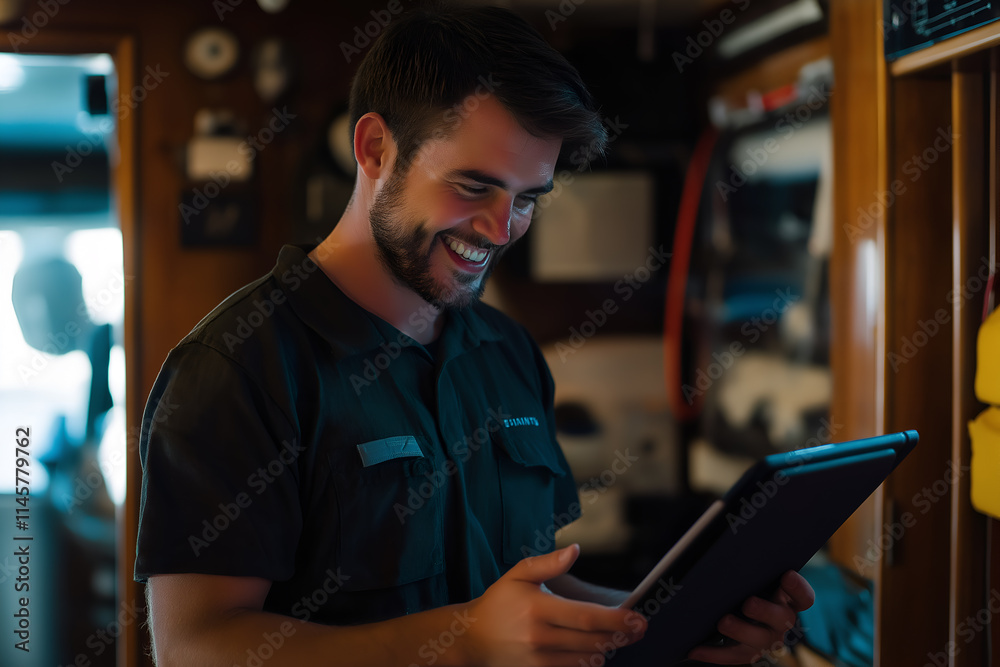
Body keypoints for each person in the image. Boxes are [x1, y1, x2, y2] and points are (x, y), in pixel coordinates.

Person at [136, 6, 814, 666]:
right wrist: (461, 641)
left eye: (526, 198)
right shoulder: (236, 370)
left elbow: (526, 590)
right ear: (375, 148)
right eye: (472, 186)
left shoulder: (509, 353)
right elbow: (196, 648)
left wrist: (686, 622)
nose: (500, 228)